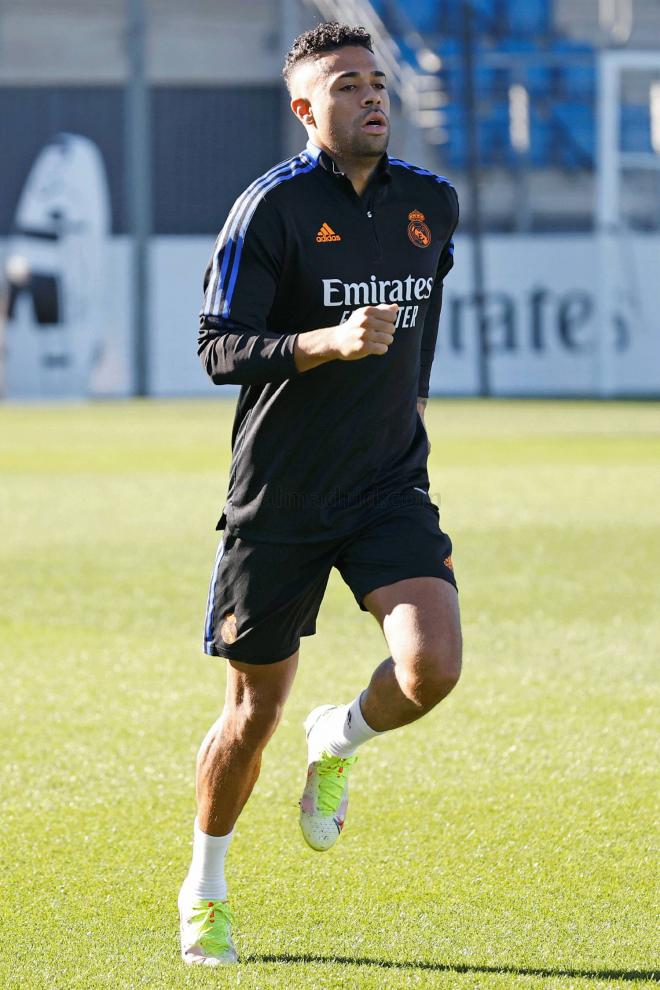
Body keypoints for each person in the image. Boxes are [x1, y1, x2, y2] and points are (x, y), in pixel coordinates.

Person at [178, 21, 461, 966]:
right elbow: (219, 347)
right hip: (282, 500)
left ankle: (337, 736)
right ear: (305, 109)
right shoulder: (269, 208)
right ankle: (206, 886)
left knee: (433, 670)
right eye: (345, 85)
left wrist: (401, 414)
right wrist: (322, 343)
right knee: (250, 715)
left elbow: (420, 325)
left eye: (376, 82)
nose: (371, 96)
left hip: (387, 484)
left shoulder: (431, 202)